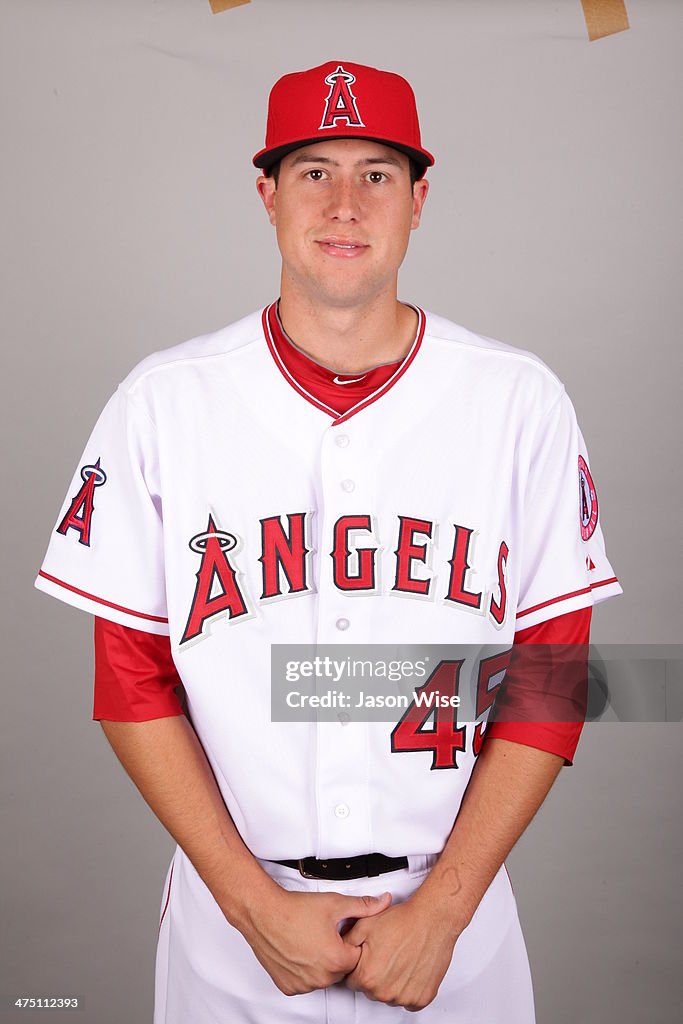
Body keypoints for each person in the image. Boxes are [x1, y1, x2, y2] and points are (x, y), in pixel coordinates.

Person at [35, 59, 622, 1022]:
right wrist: (251, 906)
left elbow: (552, 677)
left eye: (376, 174)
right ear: (265, 193)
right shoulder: (162, 404)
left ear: (419, 199)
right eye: (314, 171)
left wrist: (443, 910)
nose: (344, 202)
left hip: (451, 927)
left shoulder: (518, 402)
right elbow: (130, 677)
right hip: (234, 934)